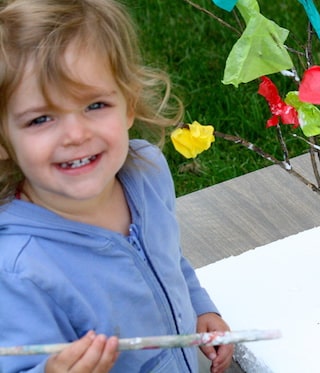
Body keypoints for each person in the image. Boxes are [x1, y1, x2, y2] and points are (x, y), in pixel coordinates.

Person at [0, 0, 233, 372]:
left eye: (94, 105)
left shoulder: (148, 173)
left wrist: (199, 307)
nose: (76, 134)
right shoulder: (18, 267)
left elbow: (169, 259)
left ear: (128, 103)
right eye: (41, 118)